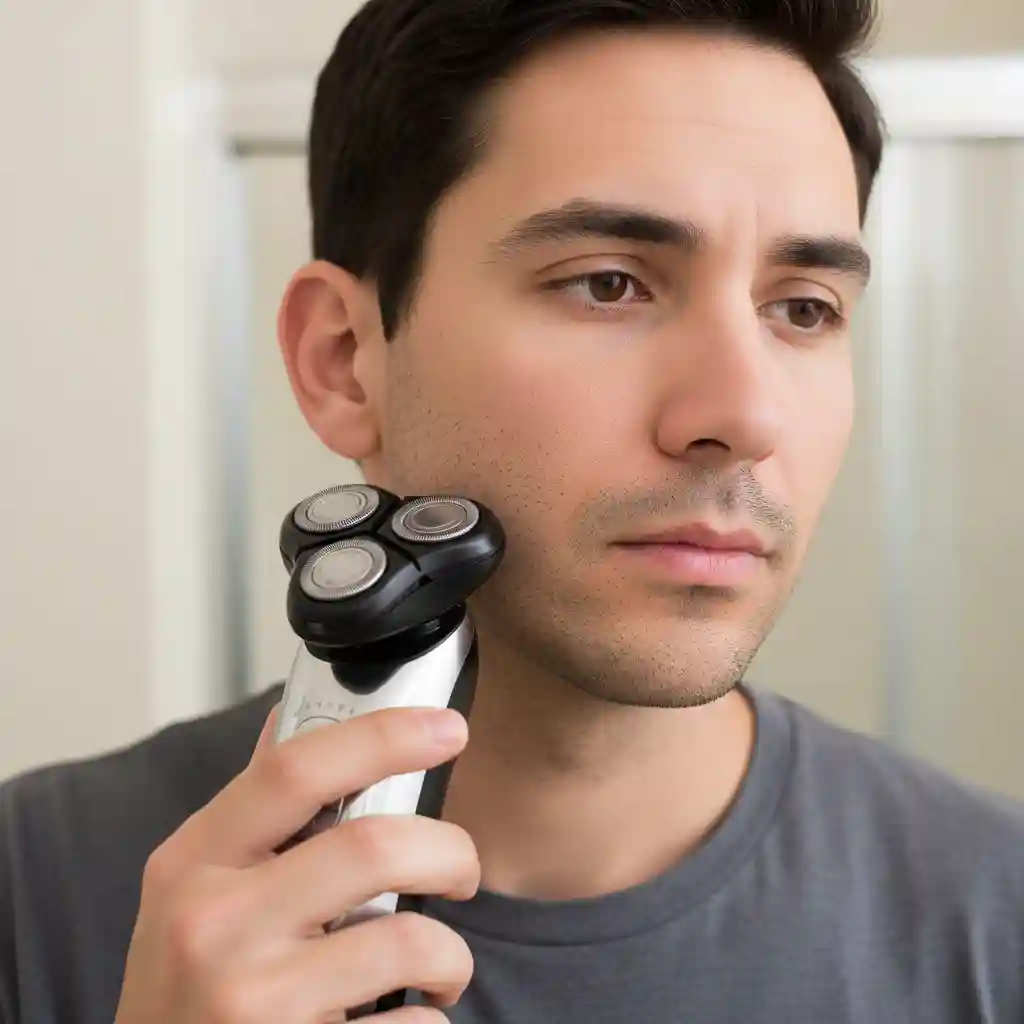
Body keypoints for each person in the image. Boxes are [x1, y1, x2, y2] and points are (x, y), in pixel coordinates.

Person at [3, 0, 1023, 1020]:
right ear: (345, 361)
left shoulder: (996, 915)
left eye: (803, 308)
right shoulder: (33, 890)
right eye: (608, 284)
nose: (744, 416)